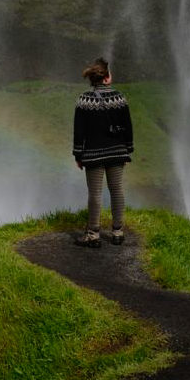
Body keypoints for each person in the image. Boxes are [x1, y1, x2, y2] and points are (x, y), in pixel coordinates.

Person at [71, 58, 133, 248]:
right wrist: (128, 150)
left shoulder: (84, 100)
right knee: (117, 190)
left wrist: (78, 155)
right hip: (116, 152)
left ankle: (93, 234)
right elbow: (128, 127)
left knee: (95, 193)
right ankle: (117, 232)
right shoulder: (120, 98)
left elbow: (79, 131)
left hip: (93, 154)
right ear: (106, 78)